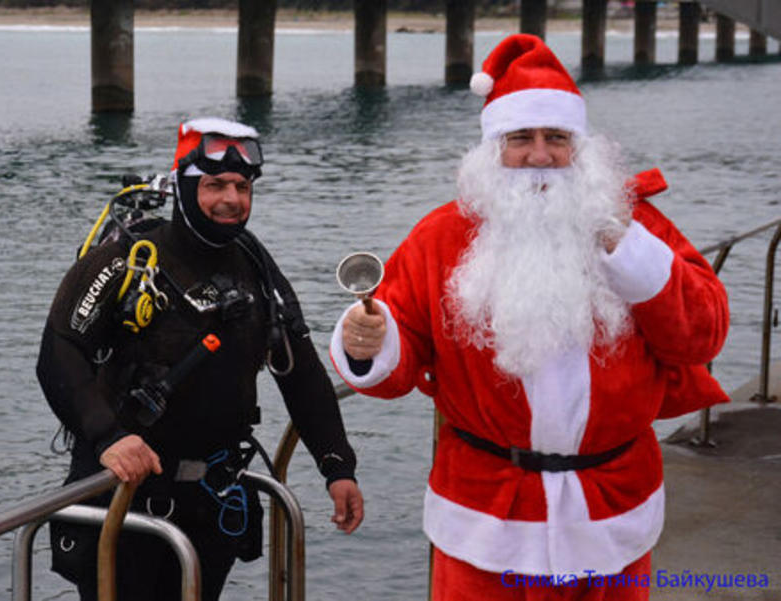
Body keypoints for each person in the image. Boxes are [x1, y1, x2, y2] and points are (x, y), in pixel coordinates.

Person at [330, 35, 728, 600]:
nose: (540, 155)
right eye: (521, 138)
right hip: (484, 519)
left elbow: (703, 333)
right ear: (493, 148)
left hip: (612, 510)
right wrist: (367, 343)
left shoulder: (635, 227)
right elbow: (395, 360)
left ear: (580, 148)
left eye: (556, 138)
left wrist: (625, 247)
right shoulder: (441, 237)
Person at [37, 117, 363, 600]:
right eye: (214, 185)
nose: (232, 198)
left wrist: (337, 466)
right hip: (124, 500)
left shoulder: (253, 264)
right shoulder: (130, 257)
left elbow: (301, 374)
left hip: (211, 503)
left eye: (242, 185)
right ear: (184, 188)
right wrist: (108, 436)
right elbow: (59, 352)